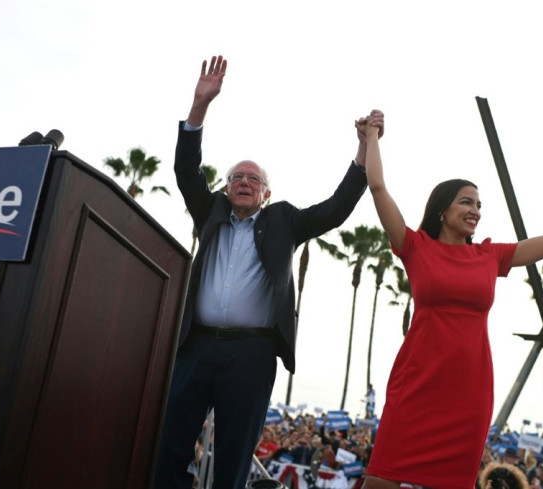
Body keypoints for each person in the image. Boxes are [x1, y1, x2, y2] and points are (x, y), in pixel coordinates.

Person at [356, 111, 543, 489]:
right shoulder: (415, 246)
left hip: (469, 392)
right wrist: (371, 139)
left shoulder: (490, 255)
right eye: (467, 202)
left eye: (479, 206)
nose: (475, 212)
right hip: (417, 383)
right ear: (442, 209)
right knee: (379, 482)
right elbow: (379, 189)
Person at [153, 55, 382, 489]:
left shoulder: (283, 222)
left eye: (253, 180)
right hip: (196, 346)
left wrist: (363, 149)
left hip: (251, 356)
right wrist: (200, 104)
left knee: (235, 460)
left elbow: (335, 210)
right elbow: (186, 169)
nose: (243, 182)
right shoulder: (209, 212)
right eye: (236, 177)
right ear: (225, 188)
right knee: (170, 450)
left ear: (267, 193)